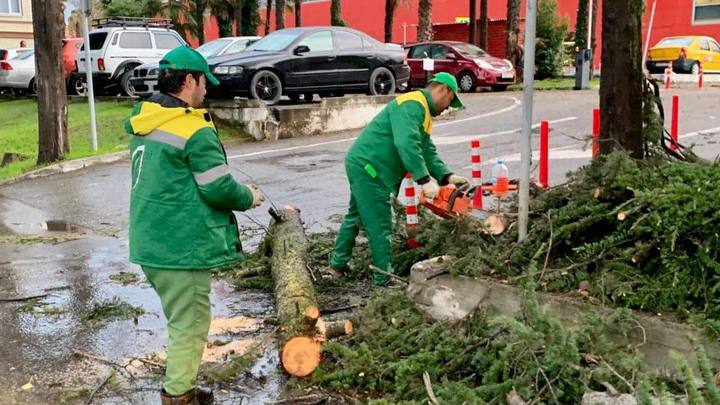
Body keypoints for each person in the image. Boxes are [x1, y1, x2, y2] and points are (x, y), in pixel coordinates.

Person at [124, 46, 264, 405]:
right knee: (190, 324)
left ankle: (180, 387)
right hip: (179, 247)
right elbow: (218, 188)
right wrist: (250, 197)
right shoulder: (193, 129)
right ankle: (178, 397)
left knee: (180, 320)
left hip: (150, 240)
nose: (206, 90)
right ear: (189, 80)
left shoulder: (145, 120)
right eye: (204, 82)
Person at [330, 72, 469, 286]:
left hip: (364, 164)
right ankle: (382, 279)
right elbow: (406, 144)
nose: (448, 107)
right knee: (380, 224)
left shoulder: (420, 110)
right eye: (451, 100)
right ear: (443, 89)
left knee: (356, 216)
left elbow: (426, 150)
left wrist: (446, 175)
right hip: (370, 169)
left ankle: (337, 265)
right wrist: (424, 179)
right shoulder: (412, 105)